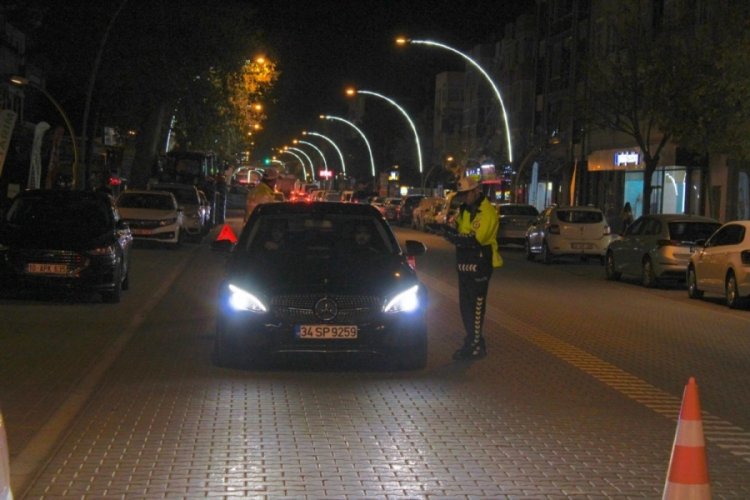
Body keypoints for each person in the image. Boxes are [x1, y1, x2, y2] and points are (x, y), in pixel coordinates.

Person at [447, 176, 502, 361]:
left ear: (476, 191)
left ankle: (475, 345)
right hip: (464, 264)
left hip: (480, 264)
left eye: (466, 194)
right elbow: (461, 233)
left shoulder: (486, 212)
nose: (463, 198)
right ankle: (473, 340)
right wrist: (449, 231)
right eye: (461, 195)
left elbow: (476, 239)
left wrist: (453, 237)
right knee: (465, 306)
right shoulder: (464, 210)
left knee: (476, 307)